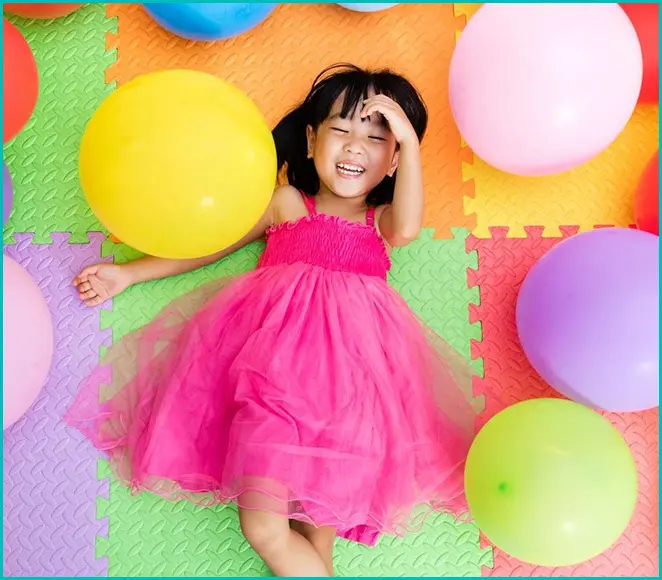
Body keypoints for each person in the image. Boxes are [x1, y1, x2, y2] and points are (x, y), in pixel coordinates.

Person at [65, 63, 477, 577]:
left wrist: (411, 145)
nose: (354, 147)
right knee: (263, 526)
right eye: (341, 130)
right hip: (272, 382)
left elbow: (410, 227)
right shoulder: (287, 204)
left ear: (393, 161)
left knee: (315, 536)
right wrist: (130, 274)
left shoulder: (381, 223)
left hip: (349, 396)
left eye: (376, 138)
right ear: (310, 140)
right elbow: (211, 243)